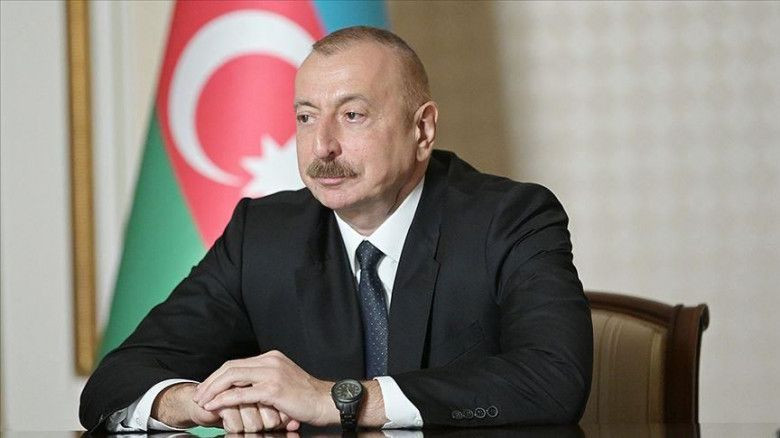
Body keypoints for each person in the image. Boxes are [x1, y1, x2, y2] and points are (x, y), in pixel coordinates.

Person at [80, 26, 592, 433]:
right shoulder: (262, 236)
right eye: (306, 117)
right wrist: (199, 401)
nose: (322, 145)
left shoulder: (510, 218)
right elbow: (115, 381)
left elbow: (554, 379)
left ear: (422, 129)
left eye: (352, 115)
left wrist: (338, 399)